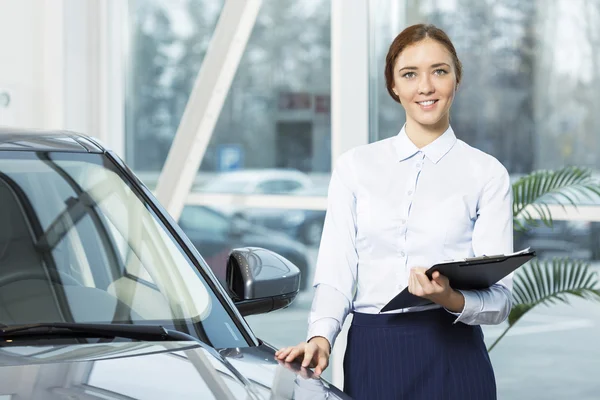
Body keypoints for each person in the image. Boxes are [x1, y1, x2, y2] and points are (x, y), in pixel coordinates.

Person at [275, 23, 513, 400]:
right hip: (374, 352)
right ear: (393, 85)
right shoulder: (356, 166)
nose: (426, 87)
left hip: (454, 354)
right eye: (409, 74)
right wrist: (320, 337)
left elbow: (500, 301)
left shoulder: (486, 173)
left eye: (439, 71)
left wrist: (449, 297)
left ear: (456, 79)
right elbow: (336, 272)